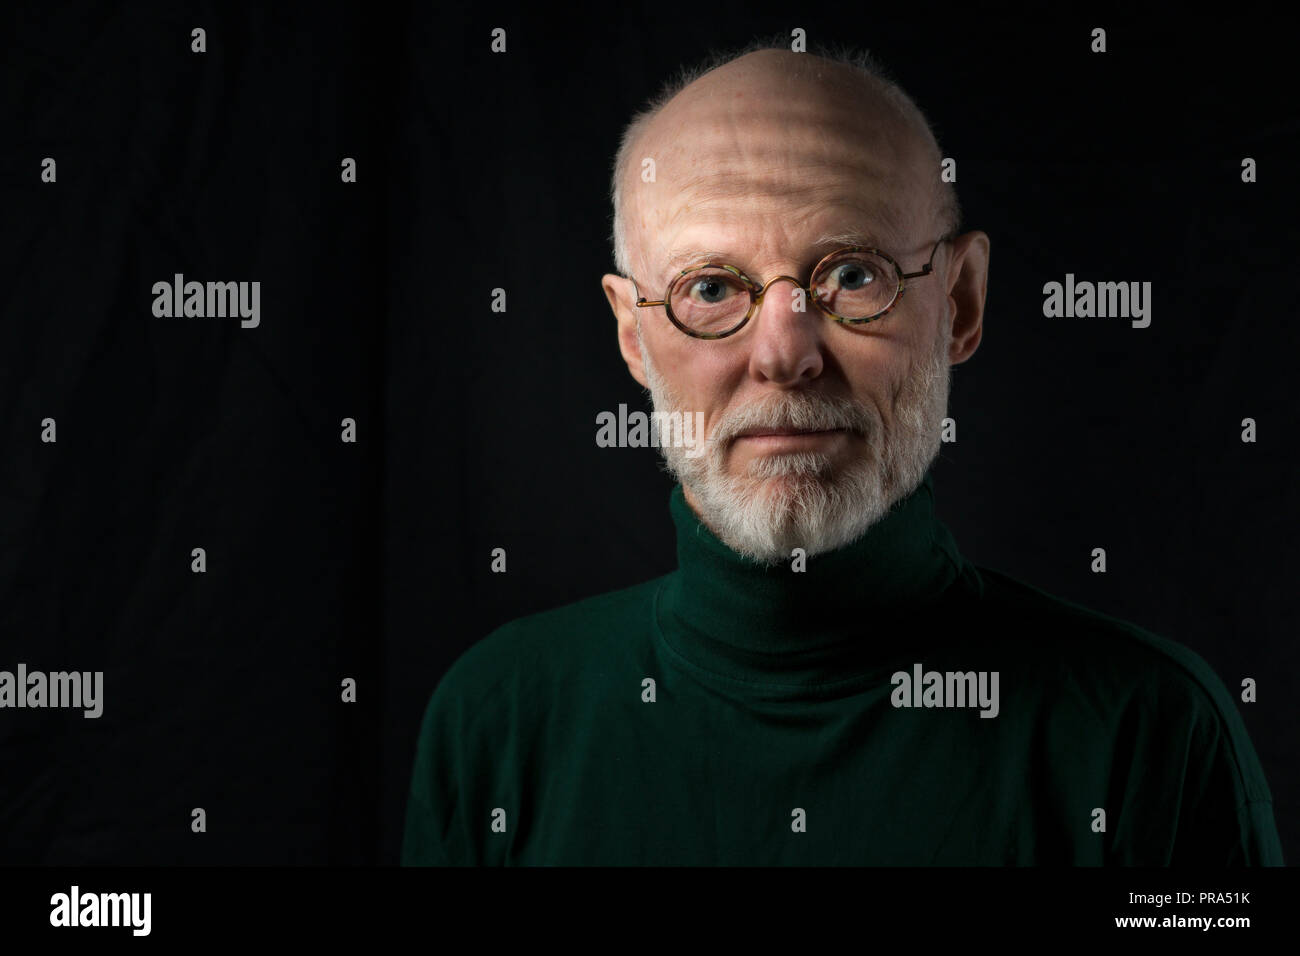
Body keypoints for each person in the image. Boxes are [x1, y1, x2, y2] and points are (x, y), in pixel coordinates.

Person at [401, 40, 1283, 865]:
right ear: (633, 337)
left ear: (961, 304)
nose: (785, 355)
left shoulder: (1149, 735)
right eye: (710, 289)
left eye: (853, 275)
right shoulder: (497, 724)